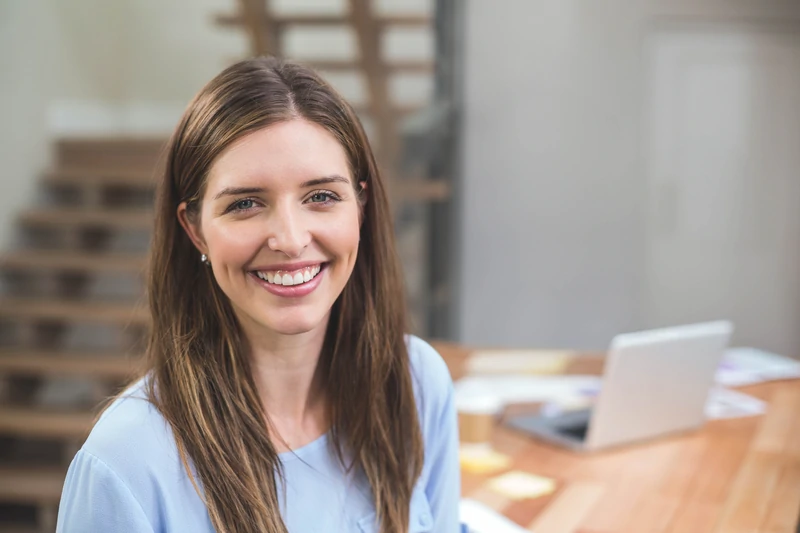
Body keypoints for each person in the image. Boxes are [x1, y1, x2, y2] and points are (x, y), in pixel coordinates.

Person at [56, 57, 460, 533]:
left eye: (322, 196)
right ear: (195, 230)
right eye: (245, 204)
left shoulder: (415, 386)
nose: (290, 239)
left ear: (361, 207)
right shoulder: (126, 464)